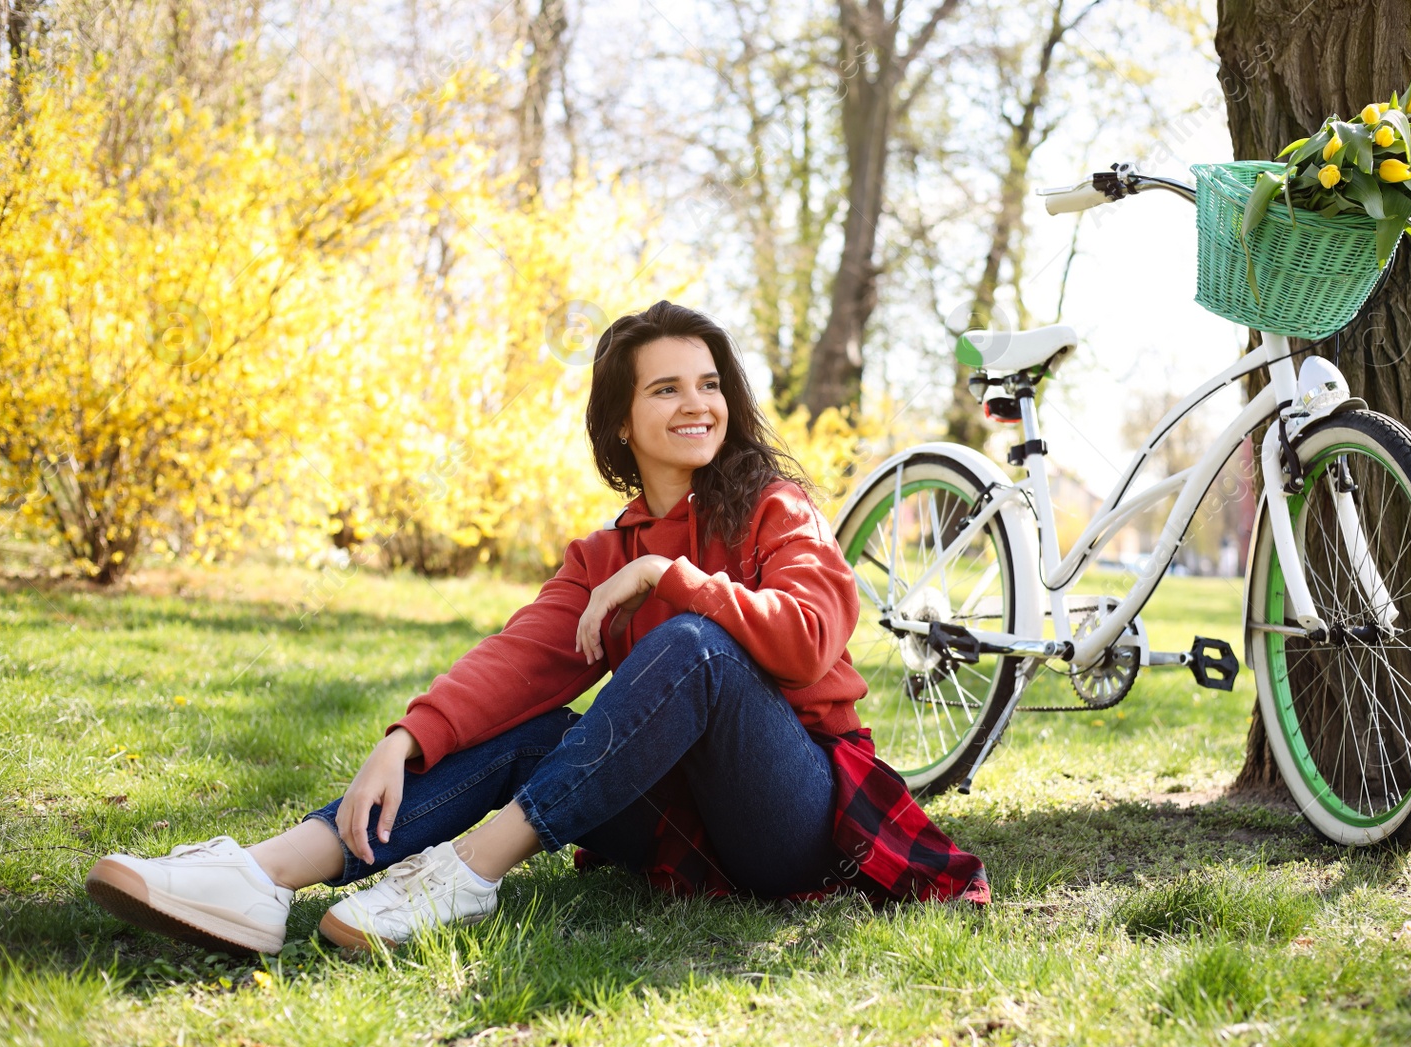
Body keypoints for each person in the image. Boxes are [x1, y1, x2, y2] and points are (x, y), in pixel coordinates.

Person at [85, 300, 989, 957]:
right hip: (677, 824)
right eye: (666, 388)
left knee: (693, 647)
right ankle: (260, 878)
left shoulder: (774, 508)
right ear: (622, 421)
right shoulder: (604, 552)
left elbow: (809, 638)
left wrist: (670, 577)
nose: (697, 404)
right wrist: (404, 738)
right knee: (531, 731)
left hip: (790, 814)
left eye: (710, 384)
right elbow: (520, 660)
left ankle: (466, 874)